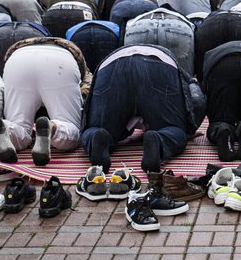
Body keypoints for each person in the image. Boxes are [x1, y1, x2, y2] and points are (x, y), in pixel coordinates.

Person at [81, 45, 205, 173]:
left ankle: (96, 136)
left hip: (111, 66)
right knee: (174, 130)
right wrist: (189, 128)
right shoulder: (180, 70)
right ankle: (160, 140)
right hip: (160, 66)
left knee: (94, 129)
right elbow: (197, 98)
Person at [0, 37, 91, 166]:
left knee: (19, 125)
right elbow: (88, 85)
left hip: (17, 61)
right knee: (71, 126)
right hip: (59, 61)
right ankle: (53, 128)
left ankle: (5, 127)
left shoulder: (24, 45)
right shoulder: (71, 52)